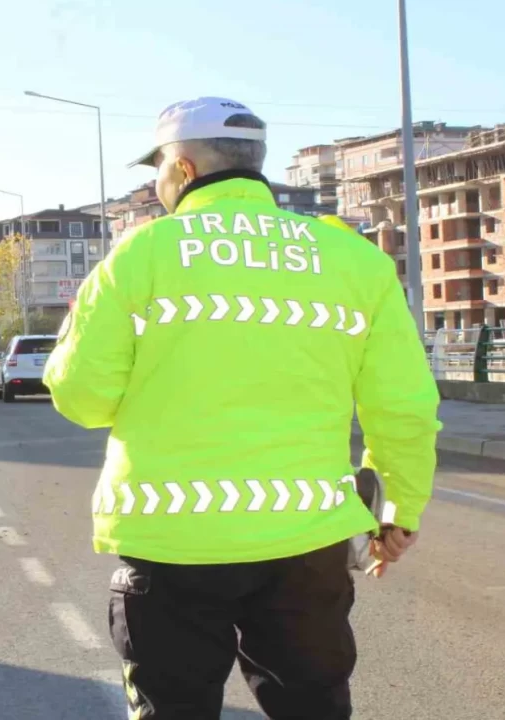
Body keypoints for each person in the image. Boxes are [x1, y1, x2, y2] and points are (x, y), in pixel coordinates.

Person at [43, 97, 441, 720]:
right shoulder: (353, 259)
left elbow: (81, 398)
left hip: (173, 537)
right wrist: (398, 509)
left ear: (182, 169)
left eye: (158, 170)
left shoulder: (141, 255)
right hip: (308, 539)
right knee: (313, 708)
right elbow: (406, 407)